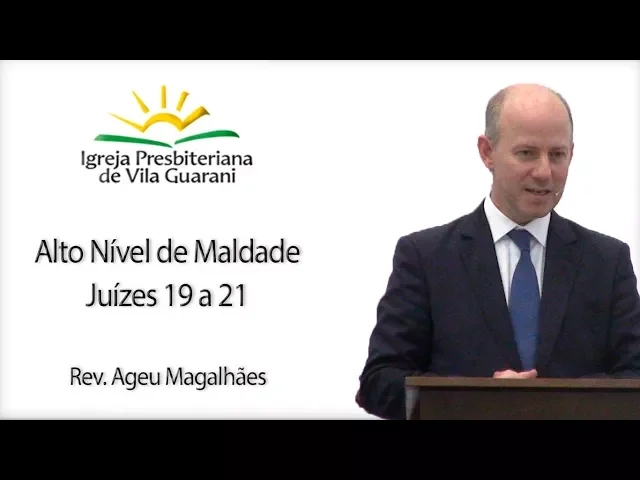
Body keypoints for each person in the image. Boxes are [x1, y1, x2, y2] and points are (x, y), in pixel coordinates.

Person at [356, 83, 640, 420]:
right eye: (527, 153)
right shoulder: (425, 258)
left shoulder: (607, 262)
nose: (544, 172)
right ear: (487, 152)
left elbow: (634, 375)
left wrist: (553, 402)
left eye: (557, 155)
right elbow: (379, 382)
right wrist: (480, 398)